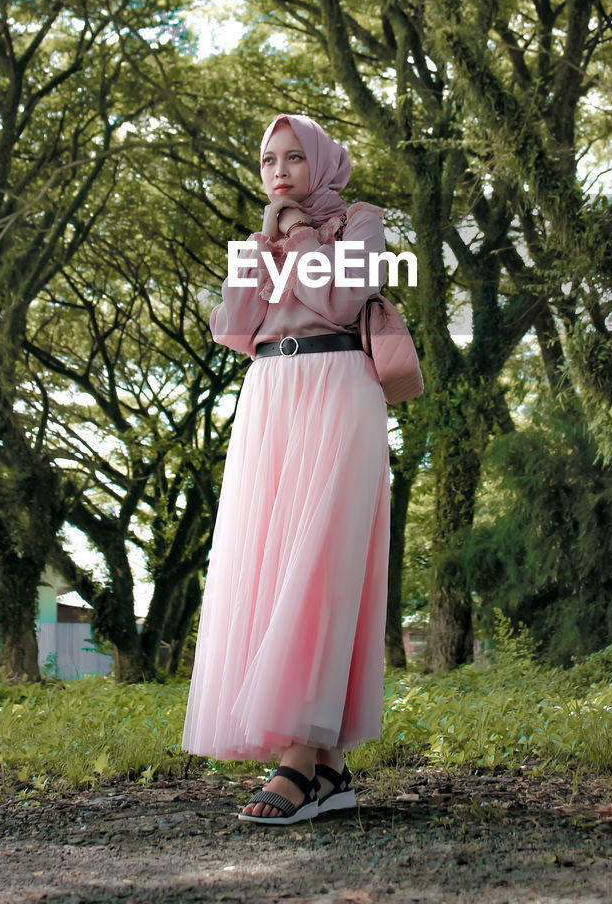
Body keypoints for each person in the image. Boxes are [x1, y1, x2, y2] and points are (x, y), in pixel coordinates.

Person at [181, 112, 391, 825]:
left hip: (339, 389)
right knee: (270, 569)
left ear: (324, 163)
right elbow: (235, 328)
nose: (279, 171)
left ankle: (299, 759)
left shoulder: (362, 222)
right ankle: (326, 767)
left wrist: (301, 234)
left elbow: (337, 300)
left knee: (319, 567)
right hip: (269, 395)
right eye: (269, 159)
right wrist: (262, 247)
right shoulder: (256, 242)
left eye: (294, 157)